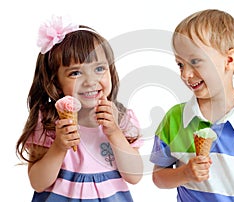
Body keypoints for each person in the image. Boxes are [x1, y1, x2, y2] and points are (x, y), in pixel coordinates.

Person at [150, 9, 234, 201]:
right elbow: (158, 177)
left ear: (229, 60)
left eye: (195, 62)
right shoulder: (175, 119)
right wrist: (184, 174)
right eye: (180, 64)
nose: (185, 75)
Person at [16, 16, 143, 201]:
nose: (90, 81)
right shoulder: (49, 120)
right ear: (56, 83)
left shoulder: (122, 118)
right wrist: (59, 147)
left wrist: (115, 132)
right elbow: (38, 182)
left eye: (99, 69)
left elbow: (135, 176)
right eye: (75, 72)